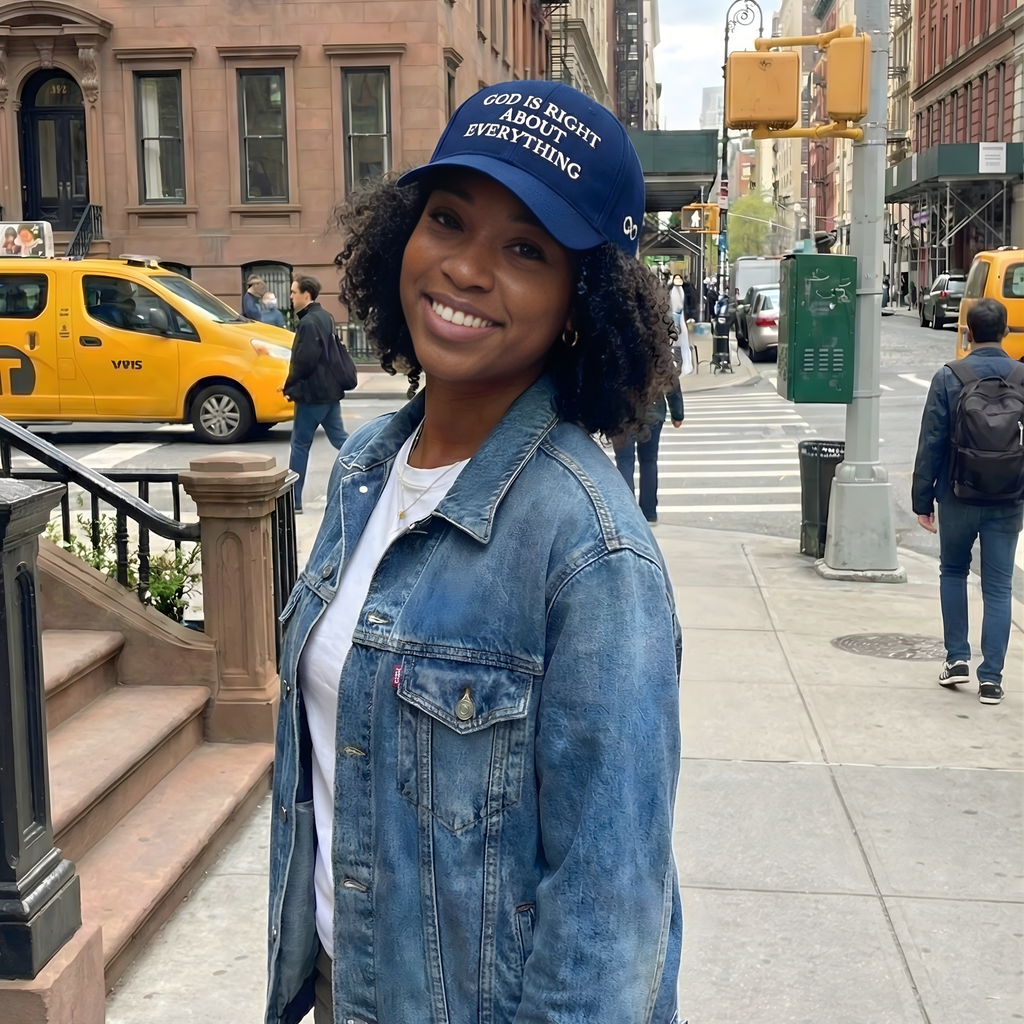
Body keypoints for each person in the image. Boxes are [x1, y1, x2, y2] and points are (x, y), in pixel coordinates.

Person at [266, 81, 682, 1024]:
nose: (465, 268)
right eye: (448, 219)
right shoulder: (365, 470)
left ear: (580, 302)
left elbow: (609, 929)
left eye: (526, 249)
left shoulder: (590, 551)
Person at [912, 298, 1023, 704]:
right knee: (999, 586)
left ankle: (956, 658)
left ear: (968, 333)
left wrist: (922, 499)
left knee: (953, 571)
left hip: (957, 493)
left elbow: (931, 441)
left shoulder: (949, 376)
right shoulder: (1021, 376)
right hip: (1008, 497)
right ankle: (991, 679)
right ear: (1005, 332)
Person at [282, 274, 349, 512]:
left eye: (294, 292)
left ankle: (294, 501)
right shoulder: (325, 316)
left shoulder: (308, 323)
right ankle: (375, 466)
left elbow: (304, 361)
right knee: (342, 441)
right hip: (330, 392)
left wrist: (289, 386)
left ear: (306, 294)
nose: (291, 296)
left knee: (300, 445)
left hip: (312, 395)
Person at [613, 382, 685, 524]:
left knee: (624, 461)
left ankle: (627, 512)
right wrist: (677, 413)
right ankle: (649, 512)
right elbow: (671, 380)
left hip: (621, 412)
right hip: (652, 410)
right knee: (649, 461)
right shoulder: (658, 365)